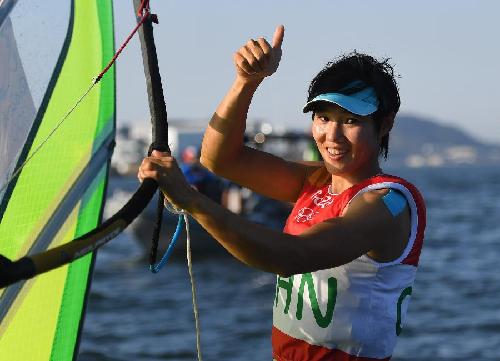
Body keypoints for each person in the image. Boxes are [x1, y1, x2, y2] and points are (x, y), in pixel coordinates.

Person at [138, 25, 426, 360]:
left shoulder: (387, 203)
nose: (332, 136)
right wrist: (247, 81)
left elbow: (292, 256)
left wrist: (192, 200)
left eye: (350, 121)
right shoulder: (316, 181)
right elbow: (218, 159)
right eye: (323, 117)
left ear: (385, 124)